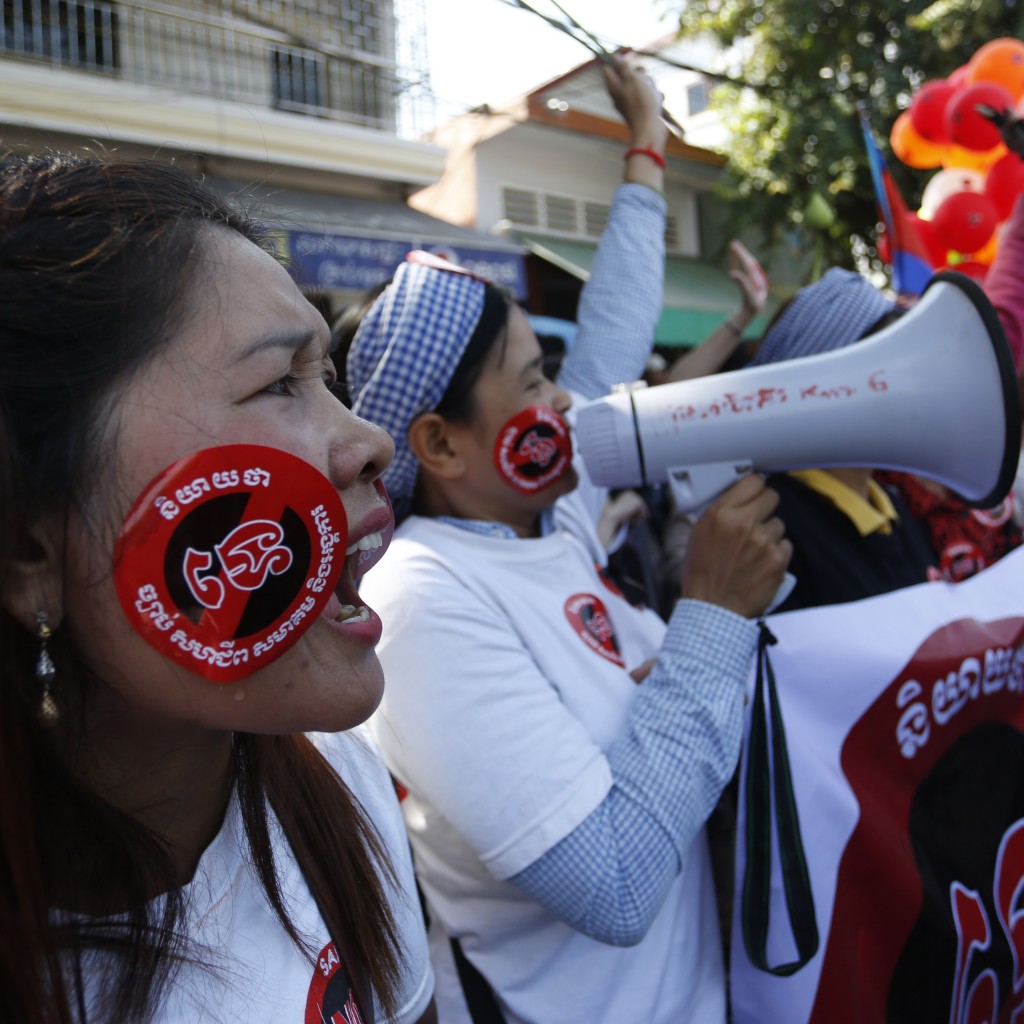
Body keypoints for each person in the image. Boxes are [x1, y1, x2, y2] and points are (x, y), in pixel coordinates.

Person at [347, 54, 791, 1024]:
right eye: (533, 378)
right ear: (439, 442)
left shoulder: (544, 517)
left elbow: (618, 328)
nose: (563, 400)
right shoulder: (423, 599)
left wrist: (643, 153)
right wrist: (708, 622)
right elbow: (615, 885)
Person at [0, 154, 435, 1024]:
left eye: (330, 381)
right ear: (28, 553)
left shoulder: (344, 778)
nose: (372, 442)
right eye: (278, 382)